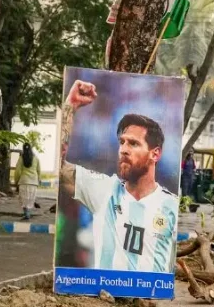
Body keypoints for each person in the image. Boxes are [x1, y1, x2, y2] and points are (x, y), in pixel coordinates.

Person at [59, 79, 178, 272]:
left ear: (155, 154)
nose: (123, 149)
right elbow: (59, 167)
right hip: (106, 297)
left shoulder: (171, 205)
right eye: (121, 142)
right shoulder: (104, 190)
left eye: (133, 143)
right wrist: (70, 107)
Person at [14, 142, 41, 220]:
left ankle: (26, 214)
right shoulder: (36, 158)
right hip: (33, 182)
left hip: (24, 181)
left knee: (24, 199)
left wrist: (16, 181)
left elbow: (17, 171)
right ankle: (28, 214)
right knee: (30, 199)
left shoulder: (21, 158)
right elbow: (39, 170)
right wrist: (39, 180)